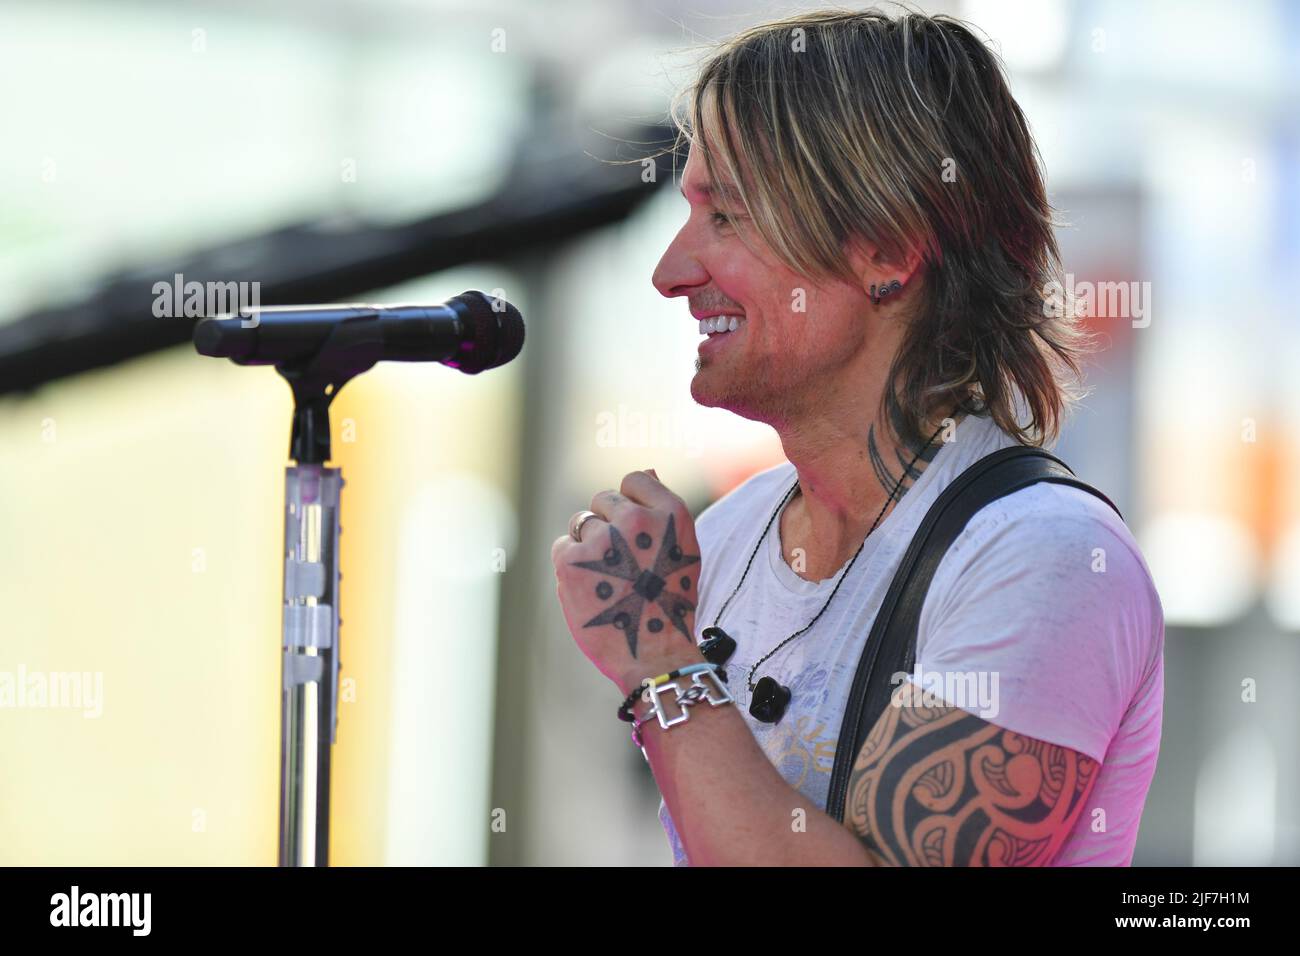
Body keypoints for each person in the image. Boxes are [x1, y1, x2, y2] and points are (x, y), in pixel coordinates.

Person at [551, 7, 1163, 866]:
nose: (671, 273)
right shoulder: (726, 537)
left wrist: (661, 664)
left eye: (725, 216)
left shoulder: (1043, 554)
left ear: (887, 250)